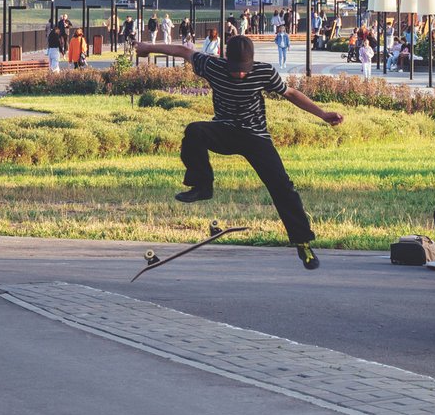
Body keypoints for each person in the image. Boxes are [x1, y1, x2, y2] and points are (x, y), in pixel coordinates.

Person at [136, 34, 338, 270]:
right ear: (226, 60)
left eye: (244, 70)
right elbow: (182, 51)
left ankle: (303, 243)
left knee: (282, 186)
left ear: (251, 63)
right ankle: (202, 186)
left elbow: (291, 93)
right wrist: (148, 47)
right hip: (225, 131)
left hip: (255, 136)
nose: (239, 74)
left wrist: (323, 114)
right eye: (235, 69)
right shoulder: (213, 65)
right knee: (194, 131)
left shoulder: (264, 72)